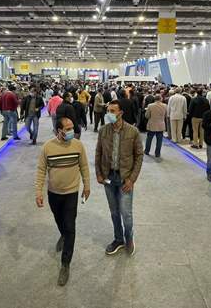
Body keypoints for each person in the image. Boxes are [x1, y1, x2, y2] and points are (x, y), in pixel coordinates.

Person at [35, 117, 90, 287]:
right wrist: (38, 192)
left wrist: (87, 186)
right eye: (67, 129)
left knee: (70, 226)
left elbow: (84, 166)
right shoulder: (48, 147)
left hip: (71, 192)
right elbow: (41, 170)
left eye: (72, 128)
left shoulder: (78, 145)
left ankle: (65, 263)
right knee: (60, 221)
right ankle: (63, 235)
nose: (71, 131)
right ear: (59, 131)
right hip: (54, 193)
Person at [95, 100, 143, 256]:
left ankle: (129, 238)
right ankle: (118, 239)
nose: (108, 114)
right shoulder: (103, 130)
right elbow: (98, 153)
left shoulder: (132, 131)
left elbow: (139, 155)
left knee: (126, 213)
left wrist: (132, 179)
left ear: (120, 113)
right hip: (108, 178)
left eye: (112, 111)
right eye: (107, 111)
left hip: (125, 178)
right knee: (114, 212)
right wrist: (99, 173)